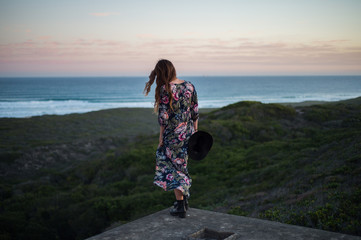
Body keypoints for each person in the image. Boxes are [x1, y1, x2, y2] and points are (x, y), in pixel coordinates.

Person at [144, 59, 199, 218]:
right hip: (188, 133)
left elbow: (164, 117)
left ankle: (180, 205)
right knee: (182, 166)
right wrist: (195, 132)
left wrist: (161, 137)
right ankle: (183, 199)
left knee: (175, 168)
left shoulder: (165, 88)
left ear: (161, 73)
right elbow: (195, 111)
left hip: (172, 135)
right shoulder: (189, 85)